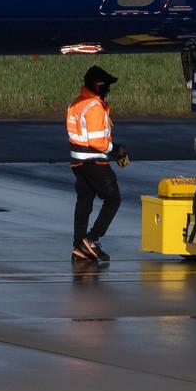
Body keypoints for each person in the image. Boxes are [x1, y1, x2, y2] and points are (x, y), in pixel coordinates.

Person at [66, 65, 126, 263]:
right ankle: (91, 240)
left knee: (84, 202)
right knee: (113, 199)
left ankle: (79, 245)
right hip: (94, 162)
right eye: (106, 85)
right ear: (98, 85)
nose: (108, 89)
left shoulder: (77, 103)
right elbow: (97, 142)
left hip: (78, 163)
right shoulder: (94, 107)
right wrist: (115, 150)